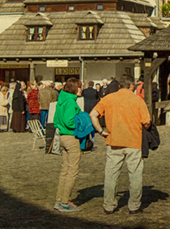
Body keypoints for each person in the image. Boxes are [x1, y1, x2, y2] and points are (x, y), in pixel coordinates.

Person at [90, 74, 152, 214]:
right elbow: (147, 122)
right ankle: (134, 205)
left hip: (114, 141)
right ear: (132, 86)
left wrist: (100, 131)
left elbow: (93, 114)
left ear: (119, 85)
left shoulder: (108, 99)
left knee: (111, 175)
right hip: (134, 142)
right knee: (135, 175)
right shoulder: (138, 100)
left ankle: (109, 205)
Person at [53, 77, 84, 212]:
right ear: (74, 88)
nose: (81, 89)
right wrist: (80, 125)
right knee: (72, 171)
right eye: (80, 86)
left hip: (62, 136)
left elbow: (56, 120)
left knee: (64, 170)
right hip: (71, 137)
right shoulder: (71, 101)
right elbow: (69, 121)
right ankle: (65, 202)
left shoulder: (61, 100)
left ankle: (59, 199)